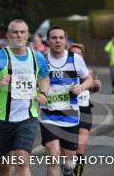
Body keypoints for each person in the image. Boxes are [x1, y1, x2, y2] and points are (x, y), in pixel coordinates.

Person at [0, 19, 50, 176]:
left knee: (22, 161)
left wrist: (43, 93)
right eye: (15, 32)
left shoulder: (38, 57)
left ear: (27, 35)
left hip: (28, 118)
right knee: (4, 166)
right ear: (8, 35)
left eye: (22, 32)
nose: (19, 35)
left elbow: (44, 77)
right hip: (1, 119)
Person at [39, 26, 93, 176]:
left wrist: (81, 87)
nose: (58, 41)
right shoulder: (41, 59)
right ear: (48, 41)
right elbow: (31, 81)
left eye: (61, 38)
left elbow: (89, 79)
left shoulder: (75, 58)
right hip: (48, 116)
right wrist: (38, 93)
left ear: (65, 40)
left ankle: (68, 171)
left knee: (69, 163)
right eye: (54, 38)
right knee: (53, 156)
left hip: (71, 117)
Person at [68, 43, 101, 176]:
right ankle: (67, 170)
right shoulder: (63, 70)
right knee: (69, 151)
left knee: (80, 148)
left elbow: (94, 87)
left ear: (82, 56)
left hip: (84, 112)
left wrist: (97, 86)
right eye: (73, 54)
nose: (76, 56)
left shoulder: (89, 72)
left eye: (79, 54)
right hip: (67, 112)